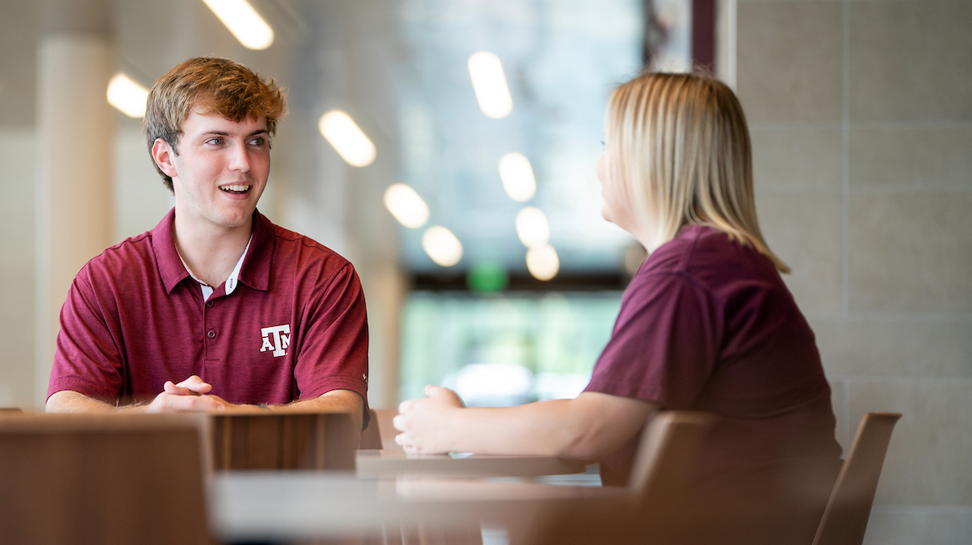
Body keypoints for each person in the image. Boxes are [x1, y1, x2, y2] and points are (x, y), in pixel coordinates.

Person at [393, 71, 842, 544]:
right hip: (750, 526)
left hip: (729, 530)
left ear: (652, 159)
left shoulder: (688, 270)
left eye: (609, 144)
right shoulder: (718, 261)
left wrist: (450, 427)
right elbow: (596, 421)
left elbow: (585, 431)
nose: (599, 165)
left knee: (446, 498)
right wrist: (462, 433)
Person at [46, 57, 369, 436]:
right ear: (167, 158)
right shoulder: (106, 281)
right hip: (147, 494)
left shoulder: (323, 277)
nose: (243, 164)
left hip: (282, 495)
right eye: (216, 141)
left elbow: (341, 412)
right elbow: (65, 407)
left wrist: (226, 419)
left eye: (256, 141)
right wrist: (149, 420)